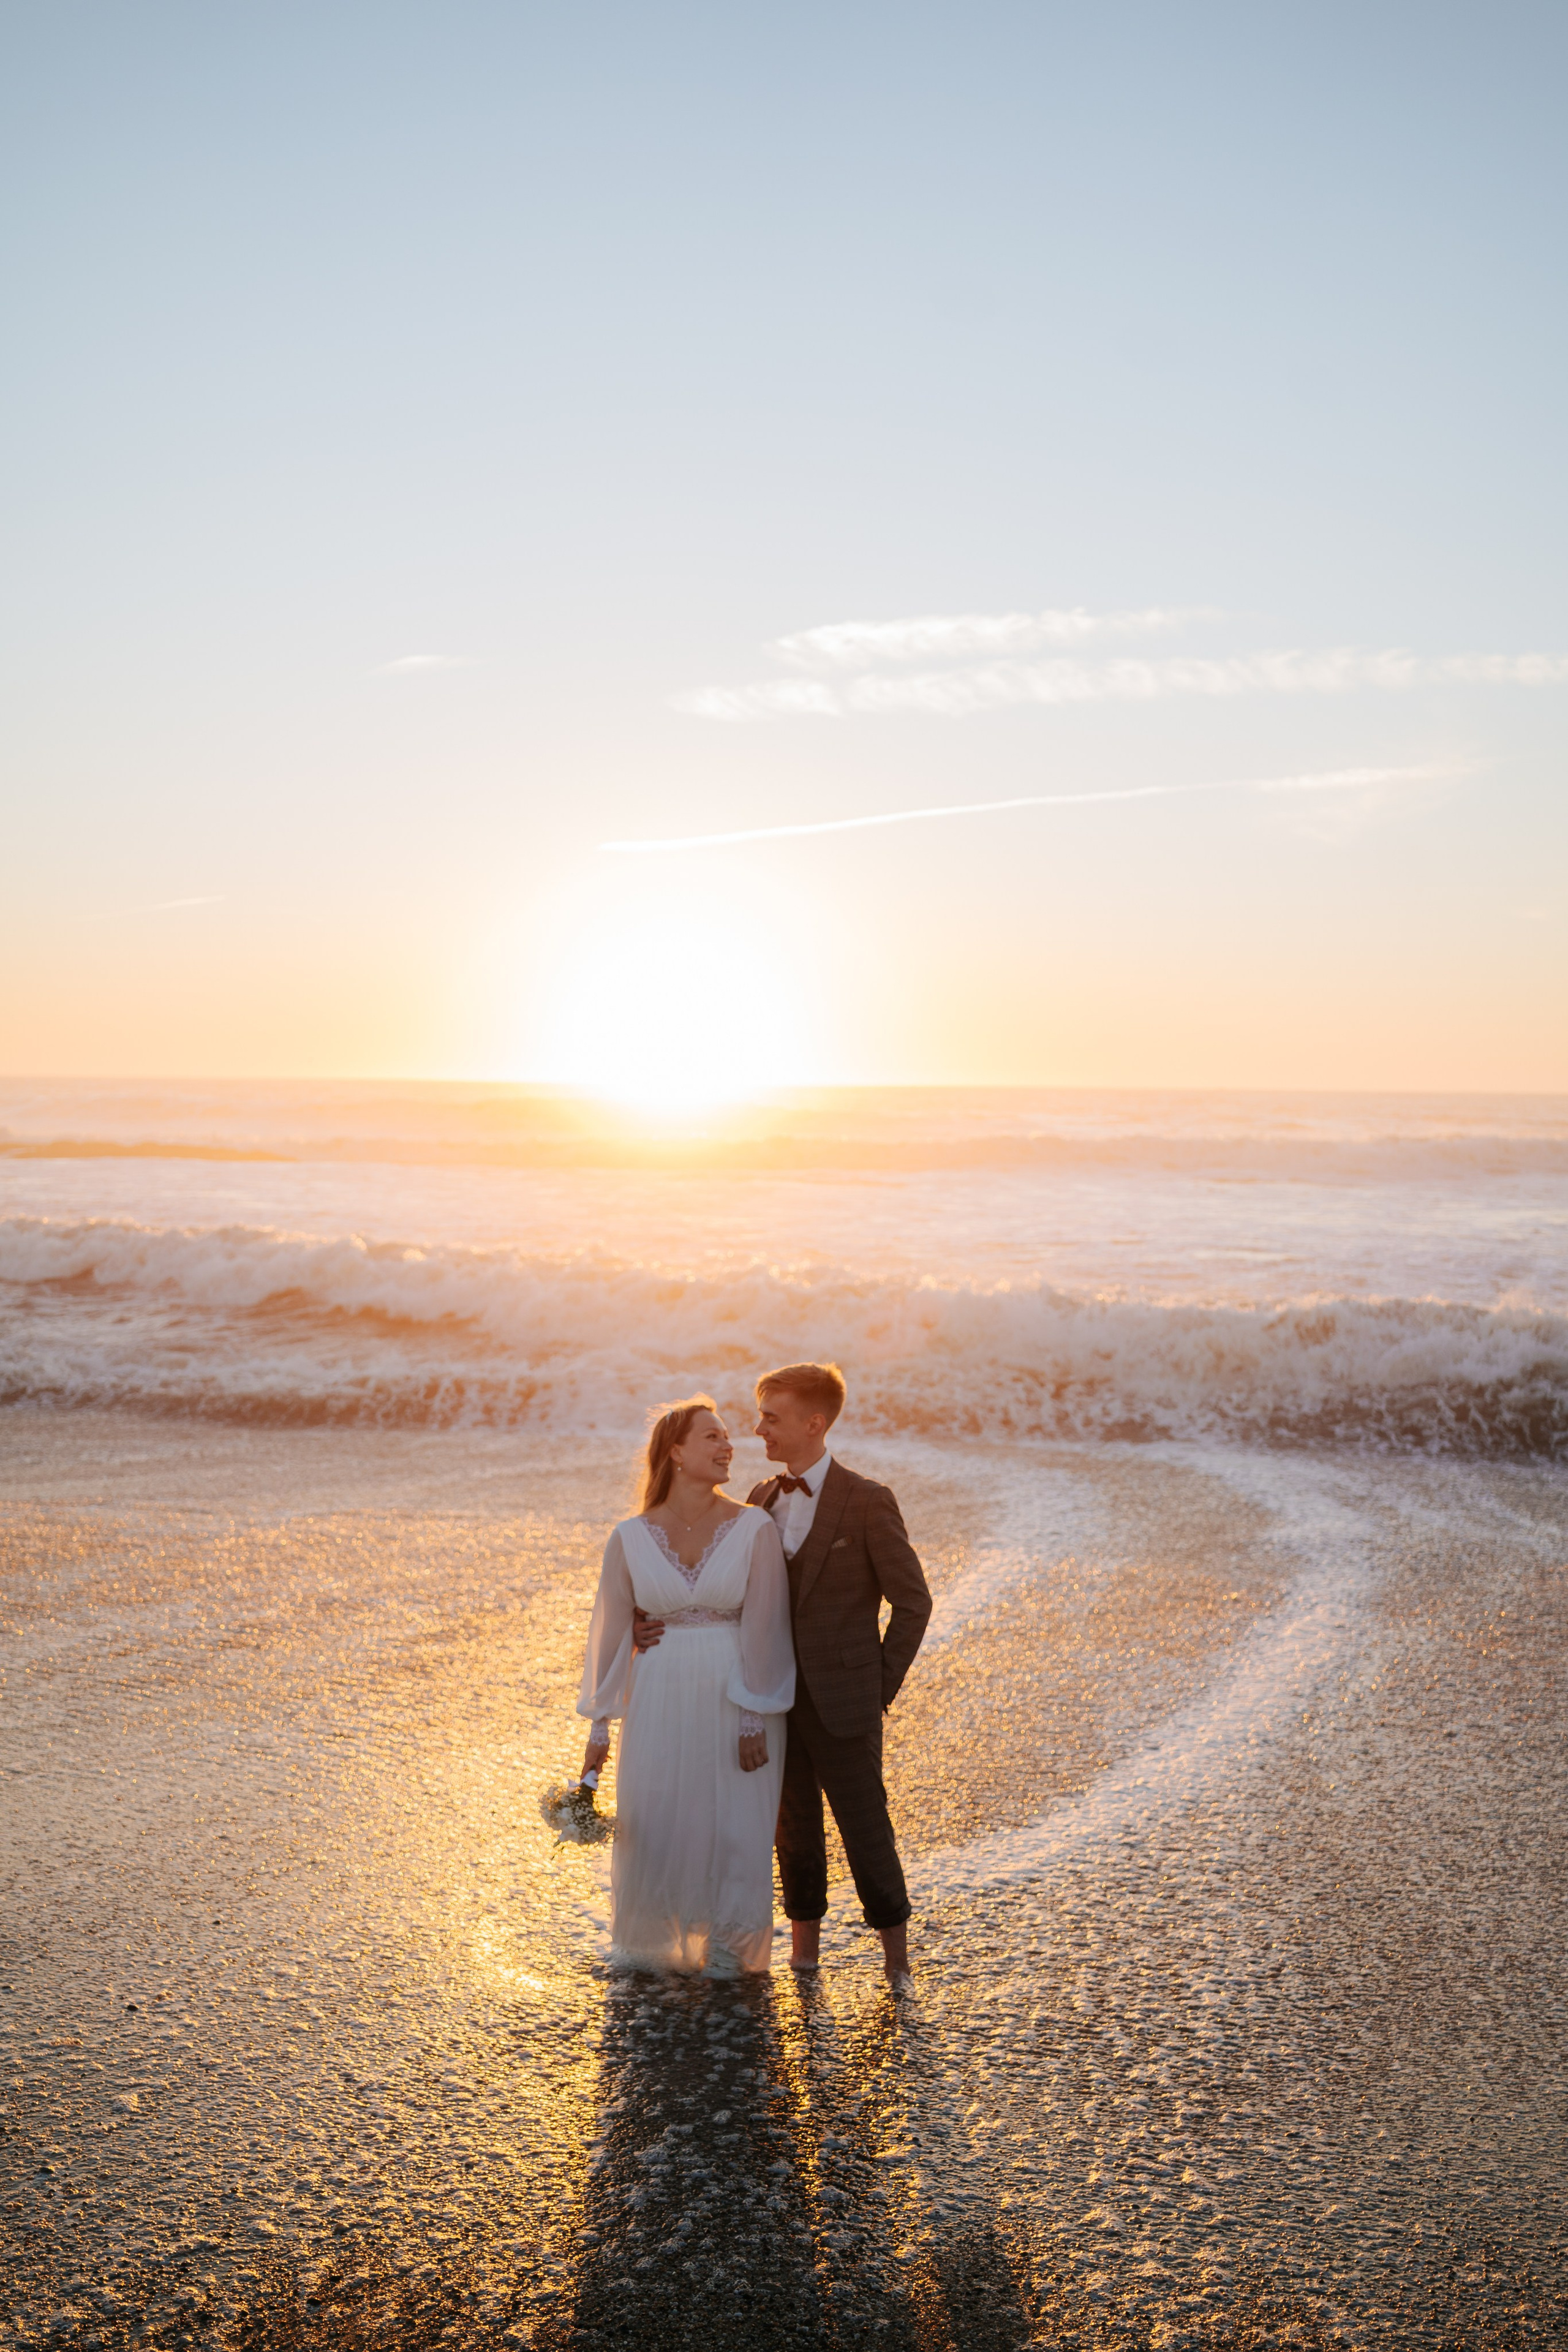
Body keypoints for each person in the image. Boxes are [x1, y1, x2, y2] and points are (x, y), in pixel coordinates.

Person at [636, 1362, 930, 1984]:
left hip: (846, 1701)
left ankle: (898, 1964)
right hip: (773, 1698)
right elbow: (729, 1596)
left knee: (865, 1829)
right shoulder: (761, 1500)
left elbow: (913, 1603)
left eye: (771, 1418)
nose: (758, 1429)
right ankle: (804, 1954)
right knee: (792, 1831)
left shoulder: (868, 1501)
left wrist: (878, 1686)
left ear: (813, 1423)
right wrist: (647, 1624)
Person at [576, 1396, 795, 1975]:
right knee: (659, 1818)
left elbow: (767, 1624)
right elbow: (611, 1637)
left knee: (736, 1830)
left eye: (728, 1438)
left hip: (738, 1696)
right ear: (675, 1451)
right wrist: (595, 1747)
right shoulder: (629, 1537)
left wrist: (753, 1714)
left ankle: (729, 1960)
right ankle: (654, 1960)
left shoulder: (755, 1527)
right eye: (712, 1437)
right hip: (659, 1695)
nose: (728, 1447)